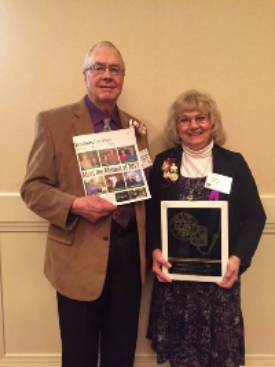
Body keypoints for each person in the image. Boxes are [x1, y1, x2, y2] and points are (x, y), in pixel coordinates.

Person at [21, 41, 149, 367]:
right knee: (78, 356)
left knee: (121, 355)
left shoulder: (137, 128)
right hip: (77, 260)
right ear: (85, 76)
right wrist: (76, 204)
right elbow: (33, 188)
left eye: (115, 69)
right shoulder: (53, 122)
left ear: (123, 77)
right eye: (99, 68)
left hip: (129, 261)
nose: (107, 75)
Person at [146, 90, 266, 367]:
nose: (193, 126)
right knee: (181, 357)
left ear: (213, 123)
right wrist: (154, 250)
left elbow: (254, 217)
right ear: (176, 127)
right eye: (184, 120)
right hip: (175, 282)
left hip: (219, 281)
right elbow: (151, 216)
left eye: (201, 118)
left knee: (219, 357)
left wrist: (238, 259)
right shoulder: (164, 163)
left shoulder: (233, 163)